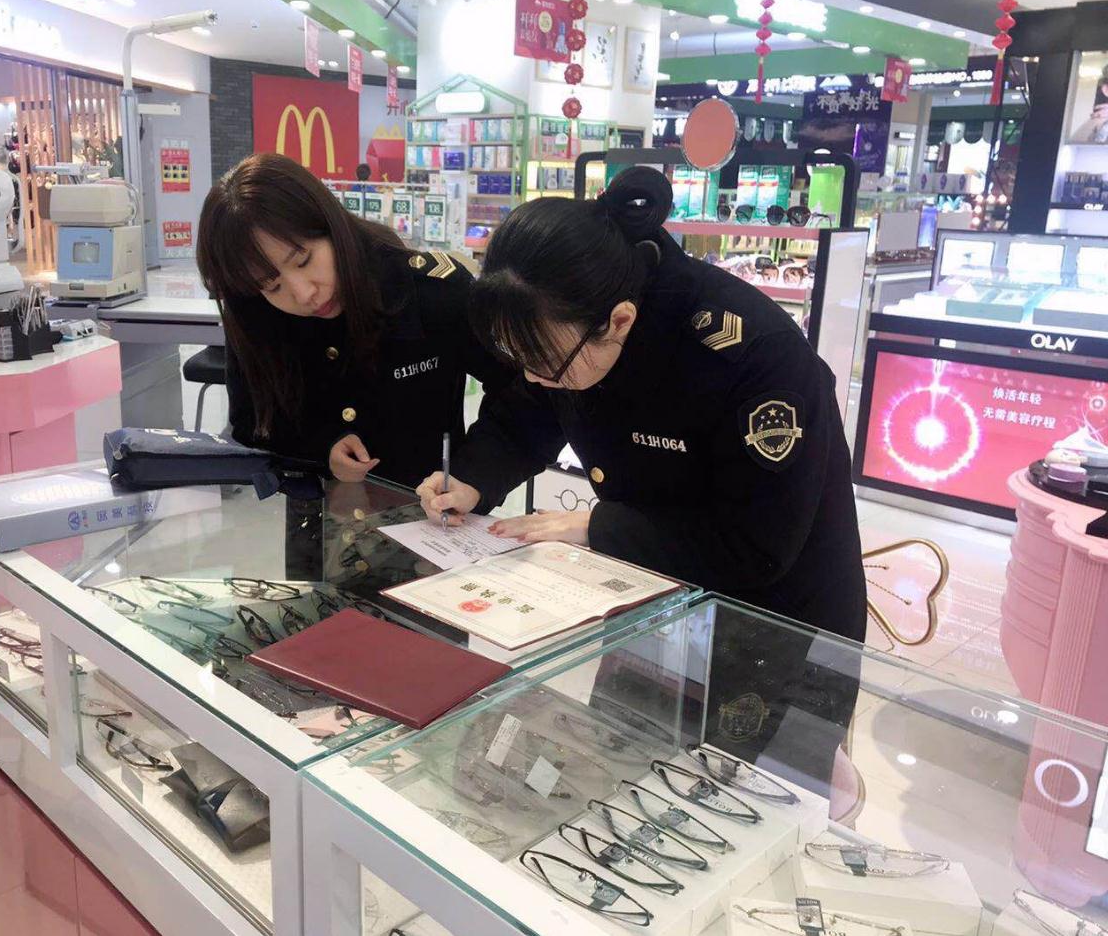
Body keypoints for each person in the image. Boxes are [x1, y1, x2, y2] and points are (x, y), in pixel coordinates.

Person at [416, 167, 865, 791]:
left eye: (545, 364)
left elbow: (755, 546)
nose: (535, 377)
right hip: (655, 598)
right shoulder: (567, 324)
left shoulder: (749, 355)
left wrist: (596, 527)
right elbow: (528, 408)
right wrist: (468, 478)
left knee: (751, 814)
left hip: (778, 621)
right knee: (623, 784)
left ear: (620, 321)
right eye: (520, 360)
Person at [195, 153, 510, 488]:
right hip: (314, 507)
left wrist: (472, 477)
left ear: (331, 225)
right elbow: (251, 422)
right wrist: (322, 448)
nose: (304, 294)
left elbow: (517, 393)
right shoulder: (255, 311)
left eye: (304, 260)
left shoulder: (429, 293)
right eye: (272, 286)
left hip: (430, 508)